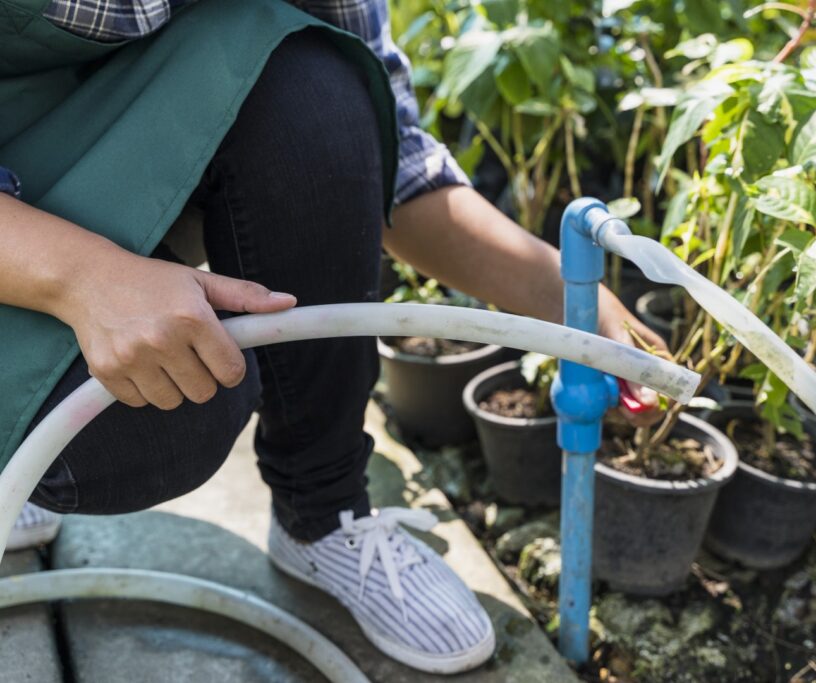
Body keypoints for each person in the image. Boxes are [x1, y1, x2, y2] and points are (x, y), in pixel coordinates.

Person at [0, 0, 666, 674]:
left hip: (81, 151)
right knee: (149, 421)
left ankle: (322, 511)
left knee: (313, 82)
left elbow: (390, 162)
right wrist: (81, 279)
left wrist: (575, 304)